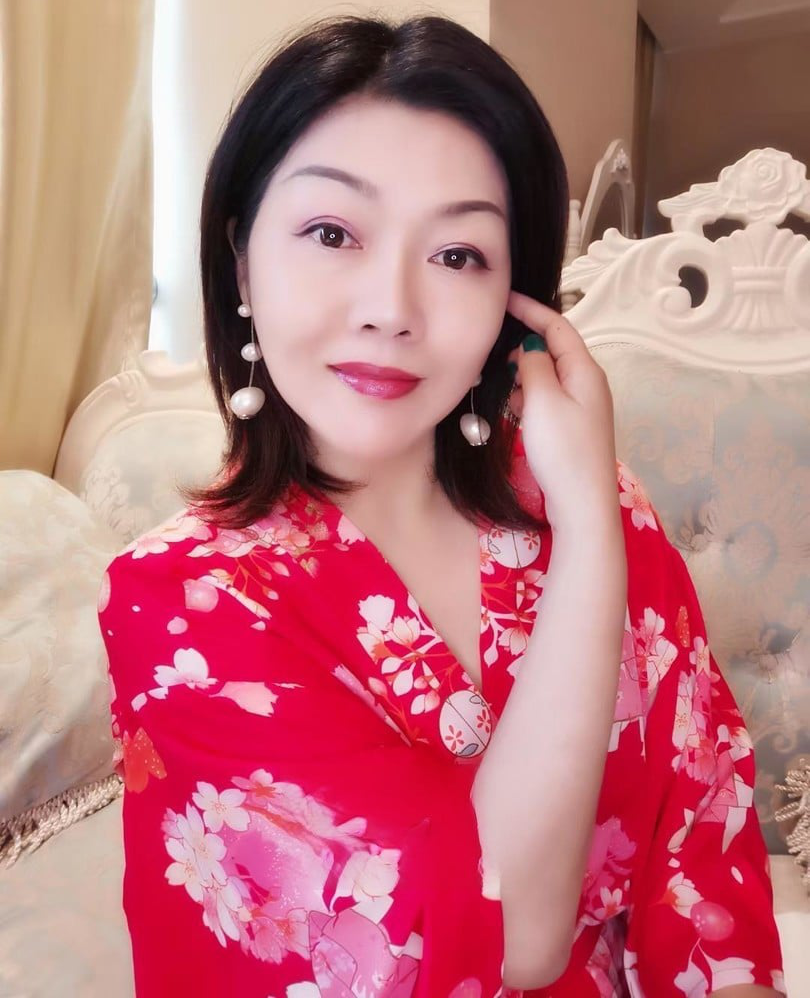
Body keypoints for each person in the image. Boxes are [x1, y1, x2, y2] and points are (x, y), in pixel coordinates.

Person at [98, 13, 785, 998]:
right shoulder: (176, 603)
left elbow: (701, 843)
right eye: (332, 233)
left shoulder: (590, 500)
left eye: (458, 254)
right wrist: (591, 537)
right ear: (242, 259)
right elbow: (509, 936)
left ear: (516, 301)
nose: (392, 309)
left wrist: (587, 506)